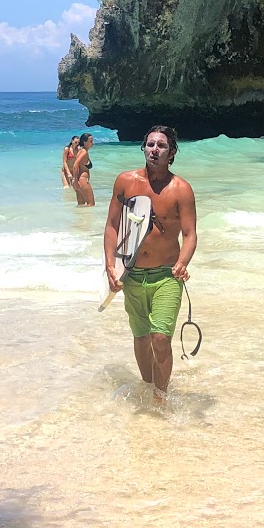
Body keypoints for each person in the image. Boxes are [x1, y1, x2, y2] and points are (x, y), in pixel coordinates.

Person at [102, 125, 197, 405]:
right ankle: (147, 386)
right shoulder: (125, 182)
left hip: (166, 275)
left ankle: (160, 395)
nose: (154, 150)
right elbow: (111, 225)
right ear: (143, 148)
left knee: (159, 339)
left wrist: (182, 262)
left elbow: (190, 235)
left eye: (162, 146)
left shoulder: (181, 189)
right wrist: (110, 265)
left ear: (172, 153)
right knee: (141, 338)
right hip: (131, 274)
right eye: (150, 144)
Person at [68, 133, 96, 207]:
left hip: (78, 181)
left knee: (81, 205)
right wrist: (75, 180)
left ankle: (80, 218)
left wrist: (75, 181)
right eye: (90, 141)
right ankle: (89, 218)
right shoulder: (84, 152)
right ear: (84, 142)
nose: (92, 143)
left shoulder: (80, 151)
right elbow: (75, 165)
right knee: (91, 204)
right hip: (82, 181)